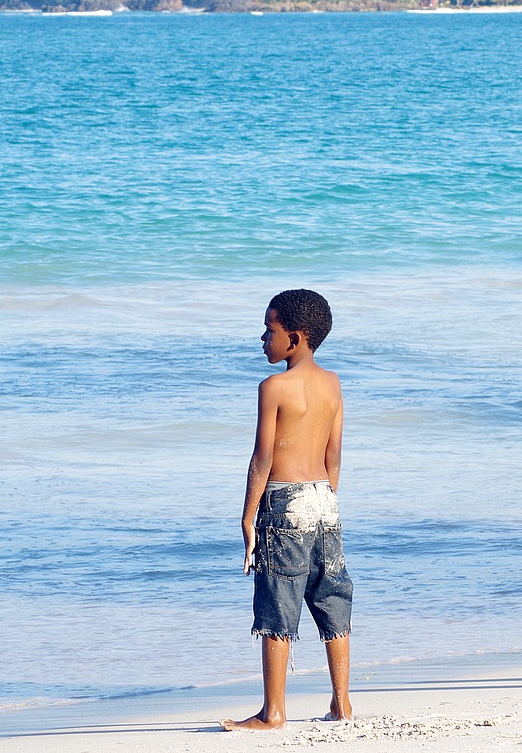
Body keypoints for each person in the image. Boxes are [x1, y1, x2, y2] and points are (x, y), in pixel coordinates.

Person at [222, 289, 354, 729]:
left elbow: (262, 457)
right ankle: (341, 703)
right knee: (331, 596)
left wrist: (247, 516)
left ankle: (273, 711)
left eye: (269, 330)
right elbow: (334, 456)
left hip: (286, 502)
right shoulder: (333, 383)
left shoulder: (274, 387)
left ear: (294, 338)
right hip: (324, 499)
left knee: (279, 599)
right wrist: (326, 497)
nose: (262, 338)